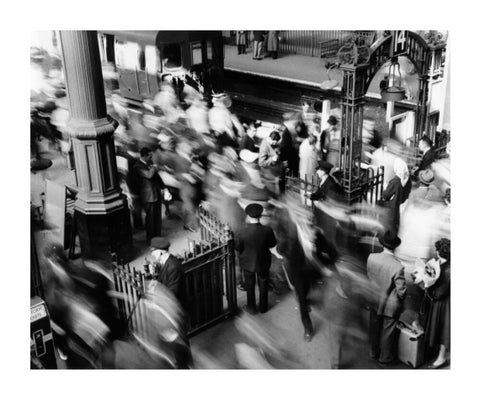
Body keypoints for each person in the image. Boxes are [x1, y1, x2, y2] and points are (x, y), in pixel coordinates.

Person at [367, 231, 407, 365]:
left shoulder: (371, 257)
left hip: (374, 299)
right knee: (387, 332)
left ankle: (373, 352)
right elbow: (401, 291)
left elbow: (370, 277)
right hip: (390, 305)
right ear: (395, 247)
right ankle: (384, 359)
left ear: (382, 244)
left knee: (374, 327)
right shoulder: (398, 266)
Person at [235, 203, 277, 314]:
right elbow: (272, 244)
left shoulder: (242, 231)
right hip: (263, 262)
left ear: (248, 216)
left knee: (249, 285)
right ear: (260, 216)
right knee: (263, 284)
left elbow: (238, 247)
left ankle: (251, 308)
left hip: (247, 263)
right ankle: (263, 308)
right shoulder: (267, 230)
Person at [425, 238, 450, 368]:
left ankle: (441, 358)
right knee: (443, 328)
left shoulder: (446, 271)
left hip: (444, 303)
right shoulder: (446, 265)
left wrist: (427, 286)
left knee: (443, 329)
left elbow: (439, 293)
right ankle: (439, 354)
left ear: (439, 252)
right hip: (447, 301)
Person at [134, 148, 167, 243]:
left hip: (155, 194)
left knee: (157, 218)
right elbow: (149, 175)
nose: (151, 157)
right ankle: (151, 240)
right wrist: (154, 167)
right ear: (145, 156)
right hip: (148, 197)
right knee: (151, 220)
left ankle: (158, 237)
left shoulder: (149, 163)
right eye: (150, 156)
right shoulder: (138, 166)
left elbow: (157, 177)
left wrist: (164, 187)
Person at [147, 237, 185, 305]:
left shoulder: (173, 267)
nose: (152, 254)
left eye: (153, 251)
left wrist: (154, 292)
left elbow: (172, 294)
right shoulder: (166, 261)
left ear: (161, 252)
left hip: (175, 308)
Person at [380, 158, 412, 234]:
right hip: (401, 206)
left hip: (392, 208)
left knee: (389, 227)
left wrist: (385, 187)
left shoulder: (395, 181)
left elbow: (385, 195)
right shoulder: (407, 179)